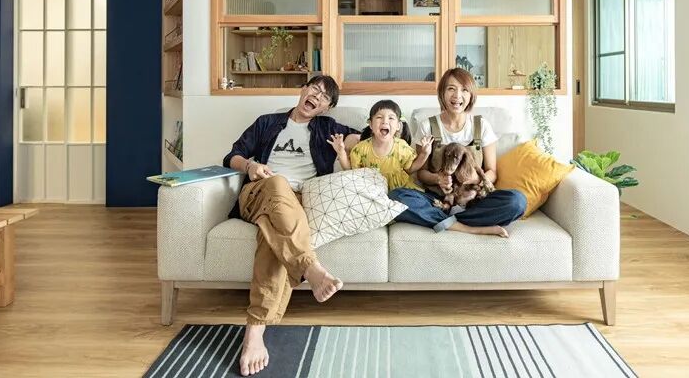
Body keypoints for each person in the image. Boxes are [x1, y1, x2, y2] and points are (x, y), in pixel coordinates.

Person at [222, 76, 360, 376]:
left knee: (271, 237)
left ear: (326, 108)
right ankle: (309, 267)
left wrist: (352, 143)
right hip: (260, 191)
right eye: (314, 89)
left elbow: (365, 136)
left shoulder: (326, 128)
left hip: (297, 203)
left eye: (324, 97)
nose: (317, 97)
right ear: (303, 90)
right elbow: (231, 156)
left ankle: (255, 332)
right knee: (278, 183)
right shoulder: (267, 122)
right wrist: (250, 166)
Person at [388, 68, 528, 238]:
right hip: (438, 200)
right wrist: (438, 179)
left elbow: (492, 172)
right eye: (451, 89)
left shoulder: (481, 125)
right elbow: (421, 174)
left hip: (474, 200)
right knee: (396, 197)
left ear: (471, 95)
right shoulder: (427, 126)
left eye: (464, 90)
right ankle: (468, 227)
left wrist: (475, 180)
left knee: (517, 201)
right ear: (442, 93)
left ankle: (447, 221)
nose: (457, 96)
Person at [328, 99, 434, 189]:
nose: (385, 121)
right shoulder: (361, 148)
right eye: (379, 117)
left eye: (391, 118)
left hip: (400, 191)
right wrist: (341, 152)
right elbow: (351, 171)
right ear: (370, 124)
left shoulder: (402, 147)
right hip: (371, 191)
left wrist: (424, 154)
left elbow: (411, 169)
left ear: (398, 126)